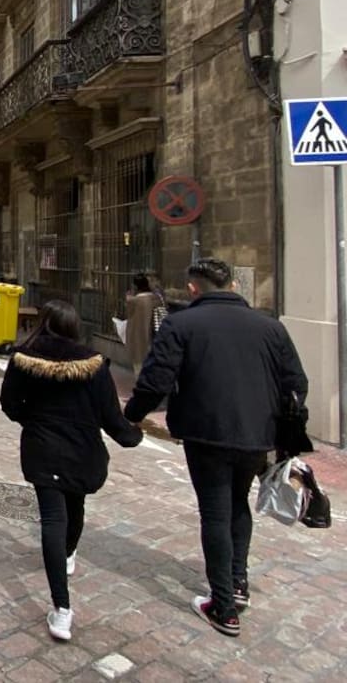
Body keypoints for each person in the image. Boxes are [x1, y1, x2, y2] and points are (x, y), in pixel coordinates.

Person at [125, 257, 309, 637]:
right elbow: (297, 383)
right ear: (233, 286)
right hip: (257, 434)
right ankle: (238, 582)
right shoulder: (270, 327)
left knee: (215, 511)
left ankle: (223, 605)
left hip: (205, 433)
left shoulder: (182, 323)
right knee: (238, 503)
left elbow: (155, 379)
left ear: (193, 288)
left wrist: (132, 416)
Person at [0, 300, 142, 642]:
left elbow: (9, 404)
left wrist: (33, 422)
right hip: (83, 452)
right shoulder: (93, 366)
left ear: (44, 324)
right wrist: (132, 435)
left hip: (42, 449)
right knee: (73, 508)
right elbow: (111, 417)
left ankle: (62, 611)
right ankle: (66, 560)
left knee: (53, 520)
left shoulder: (24, 359)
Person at [125, 272, 166, 374]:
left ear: (135, 286)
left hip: (140, 345)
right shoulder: (158, 299)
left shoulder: (133, 302)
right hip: (158, 343)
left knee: (140, 373)